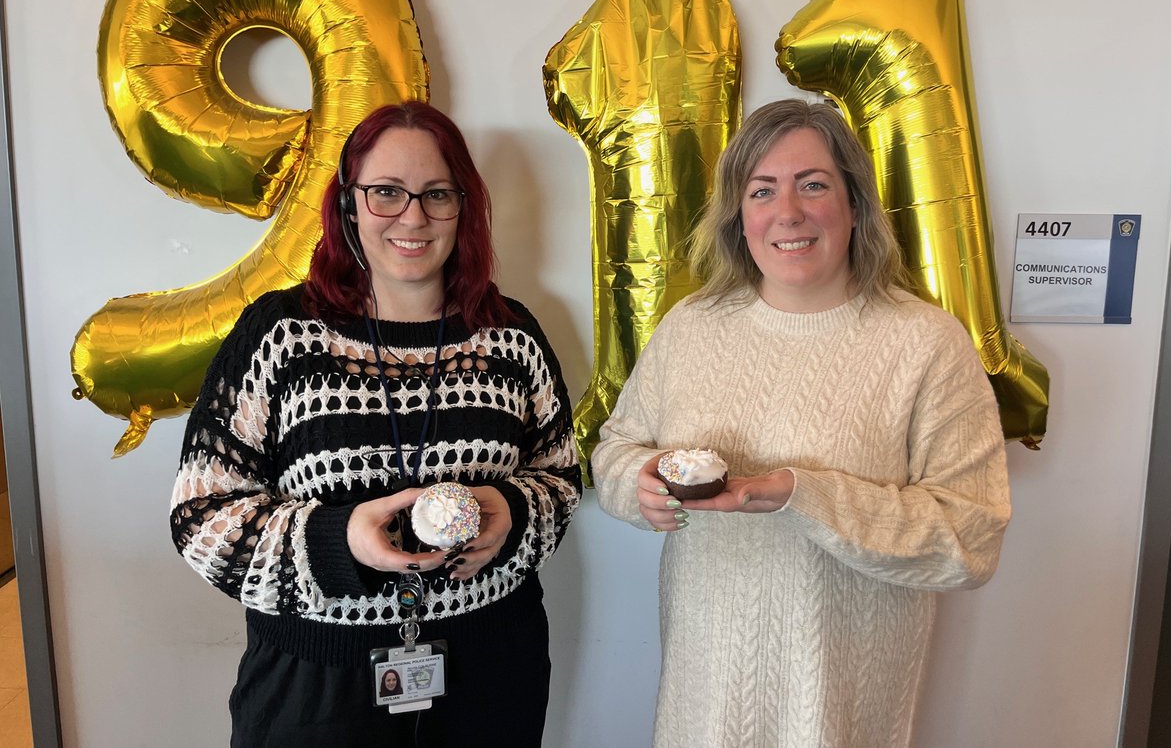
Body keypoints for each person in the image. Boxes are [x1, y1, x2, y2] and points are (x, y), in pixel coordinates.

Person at [592, 98, 1011, 747]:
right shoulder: (691, 329)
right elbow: (617, 449)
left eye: (812, 185)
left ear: (854, 204)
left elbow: (969, 537)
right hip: (702, 702)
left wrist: (800, 494)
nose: (788, 212)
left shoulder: (925, 344)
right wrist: (638, 482)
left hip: (840, 714)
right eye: (763, 190)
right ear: (740, 215)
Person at [171, 101, 581, 747]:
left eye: (437, 194)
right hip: (316, 684)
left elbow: (560, 478)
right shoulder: (281, 335)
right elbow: (200, 515)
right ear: (348, 205)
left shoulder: (513, 335)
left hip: (492, 674)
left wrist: (514, 511)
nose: (412, 217)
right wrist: (336, 543)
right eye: (386, 192)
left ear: (463, 208)